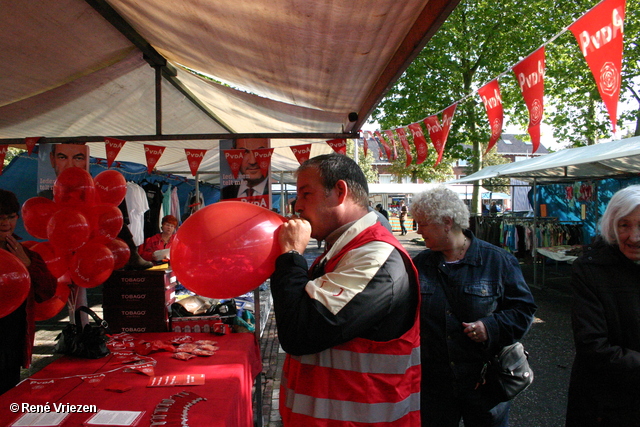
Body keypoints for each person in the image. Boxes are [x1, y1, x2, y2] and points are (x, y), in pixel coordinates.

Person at [270, 153, 421, 425]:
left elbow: (298, 332)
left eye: (306, 194)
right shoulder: (343, 252)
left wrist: (291, 255)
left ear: (340, 191)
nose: (297, 206)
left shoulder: (376, 257)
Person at [410, 186, 536, 427]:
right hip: (435, 385)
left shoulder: (498, 261)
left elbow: (524, 311)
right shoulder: (421, 263)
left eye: (423, 223)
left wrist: (491, 327)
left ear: (447, 222)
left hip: (485, 383)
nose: (418, 230)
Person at [566, 185, 640, 426]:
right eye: (624, 225)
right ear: (611, 226)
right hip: (607, 404)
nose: (634, 236)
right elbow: (593, 346)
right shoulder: (591, 269)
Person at [0, 189, 57, 395]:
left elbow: (47, 292)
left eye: (10, 217)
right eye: (0, 217)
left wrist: (28, 265)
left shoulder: (26, 253)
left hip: (14, 338)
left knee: (8, 395)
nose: (5, 223)